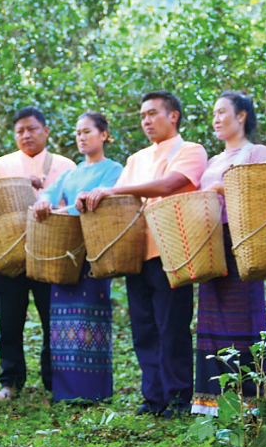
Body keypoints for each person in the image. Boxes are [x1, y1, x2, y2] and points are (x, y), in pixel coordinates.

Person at [79, 91, 208, 418]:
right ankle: (153, 399)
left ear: (173, 116)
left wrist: (112, 189)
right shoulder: (136, 160)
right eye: (142, 116)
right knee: (145, 330)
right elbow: (118, 202)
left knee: (173, 328)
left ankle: (178, 401)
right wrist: (89, 199)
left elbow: (169, 185)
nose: (146, 121)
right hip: (136, 255)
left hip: (172, 252)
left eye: (153, 114)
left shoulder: (190, 150)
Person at [0, 106, 76, 400]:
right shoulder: (0, 165)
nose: (26, 135)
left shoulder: (66, 165)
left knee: (53, 321)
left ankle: (54, 381)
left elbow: (74, 207)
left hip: (51, 254)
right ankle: (10, 381)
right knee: (10, 321)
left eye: (32, 129)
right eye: (20, 130)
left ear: (46, 130)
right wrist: (21, 186)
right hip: (10, 254)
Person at [191, 92, 266, 416]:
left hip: (243, 241)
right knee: (211, 321)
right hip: (212, 244)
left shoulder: (257, 152)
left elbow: (263, 192)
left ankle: (249, 403)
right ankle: (211, 404)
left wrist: (221, 189)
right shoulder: (213, 161)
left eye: (222, 112)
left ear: (241, 116)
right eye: (213, 112)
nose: (215, 118)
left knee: (245, 321)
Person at [32, 112, 124, 403]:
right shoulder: (70, 173)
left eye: (88, 132)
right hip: (65, 253)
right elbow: (47, 194)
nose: (82, 138)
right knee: (62, 322)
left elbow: (112, 198)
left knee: (92, 320)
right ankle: (65, 392)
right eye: (78, 133)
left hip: (94, 251)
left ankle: (94, 393)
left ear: (104, 135)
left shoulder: (114, 169)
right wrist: (44, 202)